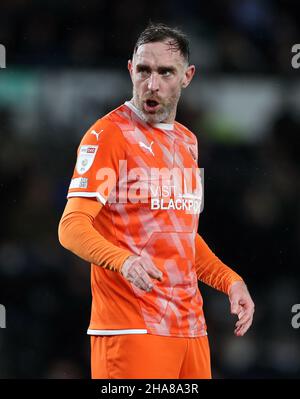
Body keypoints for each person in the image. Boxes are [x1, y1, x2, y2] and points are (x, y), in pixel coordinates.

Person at [58, 23, 255, 379]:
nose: (152, 84)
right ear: (130, 69)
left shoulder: (187, 142)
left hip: (190, 328)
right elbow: (70, 227)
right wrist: (125, 262)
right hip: (130, 328)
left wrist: (230, 280)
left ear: (187, 76)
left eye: (166, 72)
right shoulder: (107, 136)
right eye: (144, 70)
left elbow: (180, 236)